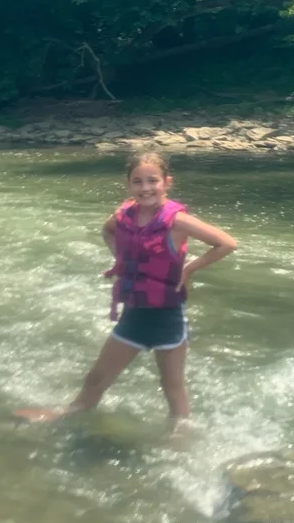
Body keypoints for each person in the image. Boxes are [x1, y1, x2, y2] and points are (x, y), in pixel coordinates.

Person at [18, 151, 237, 424]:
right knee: (96, 378)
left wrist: (189, 267)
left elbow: (227, 243)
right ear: (128, 185)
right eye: (138, 182)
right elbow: (107, 231)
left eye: (152, 181)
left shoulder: (177, 221)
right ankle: (71, 412)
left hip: (166, 315)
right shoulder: (124, 216)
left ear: (167, 182)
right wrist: (121, 260)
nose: (145, 188)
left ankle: (180, 433)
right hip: (134, 313)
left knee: (172, 386)